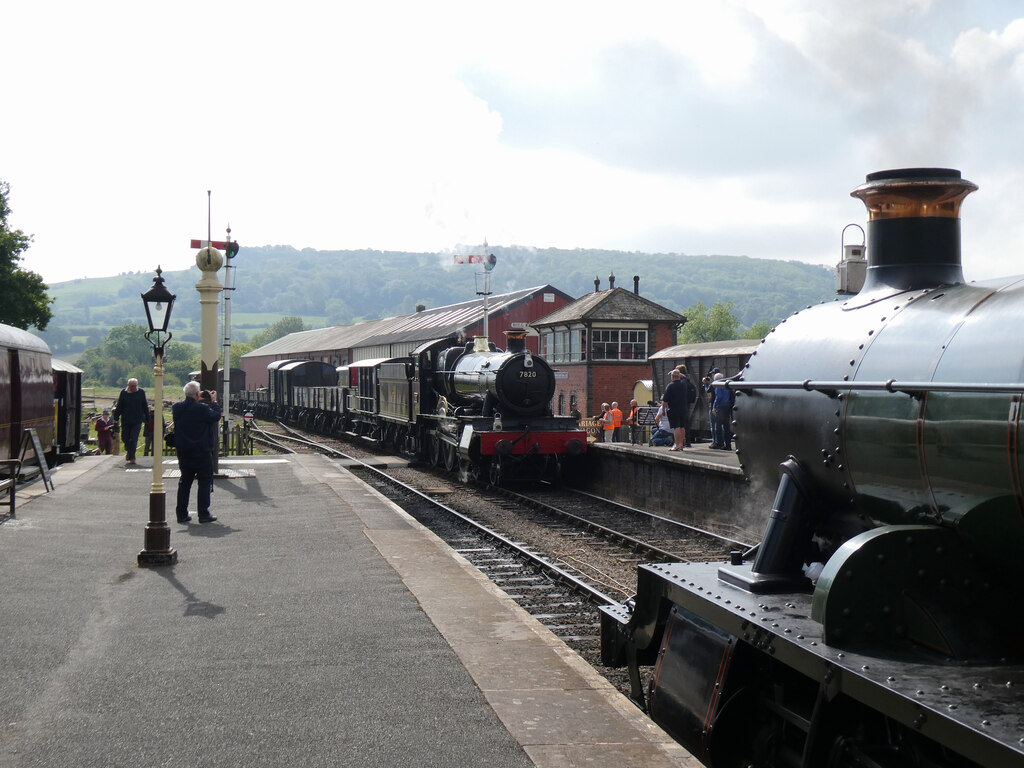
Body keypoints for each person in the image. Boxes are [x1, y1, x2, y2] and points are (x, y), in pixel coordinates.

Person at [172, 381, 221, 524]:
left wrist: (198, 400)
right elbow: (216, 416)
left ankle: (181, 514)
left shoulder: (177, 408)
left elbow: (188, 409)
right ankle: (203, 513)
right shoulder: (203, 408)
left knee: (184, 482)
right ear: (197, 394)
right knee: (204, 482)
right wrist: (214, 401)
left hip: (183, 451)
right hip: (201, 451)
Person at [114, 378, 149, 465]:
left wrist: (147, 418)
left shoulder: (141, 392)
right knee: (125, 438)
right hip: (126, 420)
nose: (133, 388)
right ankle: (129, 451)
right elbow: (119, 406)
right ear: (128, 386)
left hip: (137, 420)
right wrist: (116, 418)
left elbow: (145, 405)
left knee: (133, 439)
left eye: (134, 386)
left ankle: (132, 457)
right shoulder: (124, 392)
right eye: (131, 386)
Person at [661, 369, 691, 451]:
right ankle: (681, 444)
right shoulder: (684, 384)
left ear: (672, 377)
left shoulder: (670, 386)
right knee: (682, 427)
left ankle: (677, 445)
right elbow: (686, 378)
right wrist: (678, 373)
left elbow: (665, 400)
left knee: (676, 427)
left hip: (674, 409)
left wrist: (663, 409)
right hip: (684, 409)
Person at [711, 372, 734, 450]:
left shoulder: (719, 386)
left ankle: (719, 443)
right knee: (726, 427)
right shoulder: (727, 385)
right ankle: (728, 445)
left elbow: (719, 397)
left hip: (720, 407)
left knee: (718, 426)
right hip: (727, 406)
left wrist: (714, 407)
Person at [675, 364, 697, 447]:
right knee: (685, 423)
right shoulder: (688, 380)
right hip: (687, 404)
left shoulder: (682, 381)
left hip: (682, 404)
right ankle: (686, 442)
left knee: (682, 424)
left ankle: (683, 442)